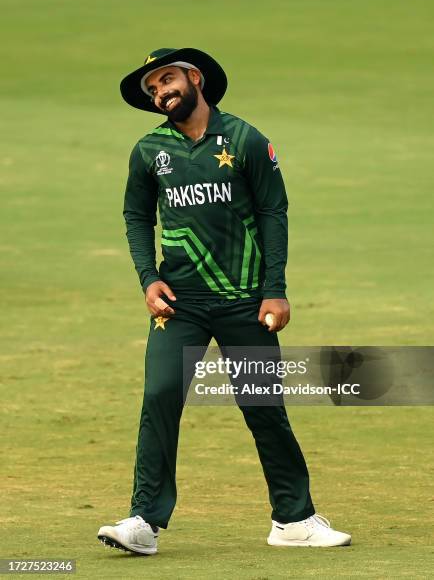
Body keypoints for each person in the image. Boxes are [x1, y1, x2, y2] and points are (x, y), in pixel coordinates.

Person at [97, 48, 351, 554]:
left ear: (195, 79)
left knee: (263, 407)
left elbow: (274, 211)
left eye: (166, 80)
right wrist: (148, 277)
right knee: (160, 396)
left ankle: (294, 520)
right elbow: (135, 216)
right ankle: (144, 521)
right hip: (180, 303)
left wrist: (274, 288)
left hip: (244, 300)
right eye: (152, 89)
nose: (160, 93)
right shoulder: (150, 150)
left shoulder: (244, 139)